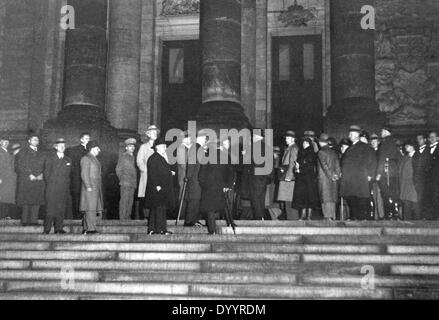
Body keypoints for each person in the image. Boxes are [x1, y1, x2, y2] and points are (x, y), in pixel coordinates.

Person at [340, 125, 377, 220]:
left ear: (357, 135)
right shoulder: (350, 148)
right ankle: (354, 216)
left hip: (360, 177)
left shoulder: (365, 147)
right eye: (349, 134)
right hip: (350, 179)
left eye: (351, 134)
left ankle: (362, 217)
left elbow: (372, 161)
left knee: (361, 198)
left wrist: (370, 175)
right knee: (351, 197)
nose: (349, 136)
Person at [199, 141, 235, 234]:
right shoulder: (226, 156)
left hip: (209, 187)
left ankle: (212, 230)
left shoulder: (206, 156)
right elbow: (231, 172)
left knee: (210, 209)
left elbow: (202, 173)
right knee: (225, 205)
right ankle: (231, 224)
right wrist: (228, 185)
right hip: (222, 186)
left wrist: (203, 184)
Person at [145, 138, 176, 235]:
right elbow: (153, 173)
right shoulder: (154, 158)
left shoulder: (159, 157)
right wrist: (157, 185)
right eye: (163, 147)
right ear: (157, 147)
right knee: (159, 208)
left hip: (161, 187)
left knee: (157, 208)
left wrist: (169, 172)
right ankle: (160, 229)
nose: (165, 148)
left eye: (165, 147)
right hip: (158, 188)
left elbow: (162, 171)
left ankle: (152, 229)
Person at [15, 135, 45, 226]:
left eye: (37, 139)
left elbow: (45, 165)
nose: (36, 141)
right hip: (27, 180)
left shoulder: (42, 153)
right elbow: (19, 165)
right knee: (26, 201)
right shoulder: (23, 152)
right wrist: (29, 174)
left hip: (38, 181)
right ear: (29, 141)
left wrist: (42, 174)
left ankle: (33, 221)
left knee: (36, 200)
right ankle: (24, 221)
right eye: (34, 139)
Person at [43, 139, 71, 234]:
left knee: (61, 208)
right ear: (56, 147)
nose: (62, 147)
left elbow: (69, 175)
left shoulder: (68, 159)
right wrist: (52, 184)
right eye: (60, 146)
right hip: (52, 188)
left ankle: (58, 228)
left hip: (63, 189)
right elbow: (46, 174)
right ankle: (47, 229)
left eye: (64, 146)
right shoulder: (50, 158)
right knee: (50, 209)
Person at [376, 126, 402, 220]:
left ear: (387, 132)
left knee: (386, 194)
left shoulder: (385, 143)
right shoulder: (394, 142)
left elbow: (382, 158)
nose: (381, 132)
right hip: (393, 172)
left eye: (382, 130)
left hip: (385, 172)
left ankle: (389, 214)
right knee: (393, 193)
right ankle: (395, 213)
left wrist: (379, 173)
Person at [293, 137, 320, 220]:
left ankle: (307, 215)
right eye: (303, 143)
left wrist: (299, 168)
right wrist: (297, 169)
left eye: (306, 143)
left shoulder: (311, 153)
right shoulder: (301, 152)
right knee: (305, 197)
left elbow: (309, 165)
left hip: (308, 178)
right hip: (305, 179)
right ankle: (304, 215)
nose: (304, 144)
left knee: (307, 197)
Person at [80, 140, 103, 234]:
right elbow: (84, 173)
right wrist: (88, 186)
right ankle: (91, 229)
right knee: (90, 208)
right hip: (90, 187)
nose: (99, 150)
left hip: (95, 186)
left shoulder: (93, 158)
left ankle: (86, 228)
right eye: (97, 148)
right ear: (92, 149)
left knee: (91, 208)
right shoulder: (86, 158)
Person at [137, 125, 159, 220]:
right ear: (148, 134)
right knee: (146, 196)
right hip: (147, 176)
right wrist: (146, 170)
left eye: (156, 132)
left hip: (157, 177)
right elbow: (139, 161)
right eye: (152, 132)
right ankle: (145, 217)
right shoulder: (143, 147)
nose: (155, 134)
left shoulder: (159, 147)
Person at [65, 133, 90, 219]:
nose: (88, 140)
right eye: (86, 138)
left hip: (87, 180)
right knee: (77, 199)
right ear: (81, 139)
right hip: (77, 179)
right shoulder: (74, 150)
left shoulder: (91, 151)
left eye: (89, 138)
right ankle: (77, 217)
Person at [317, 133, 341, 221]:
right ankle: (333, 216)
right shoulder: (333, 152)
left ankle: (327, 217)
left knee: (325, 198)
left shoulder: (321, 152)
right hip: (333, 179)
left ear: (320, 142)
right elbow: (337, 165)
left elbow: (324, 166)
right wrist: (336, 175)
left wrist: (330, 175)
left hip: (324, 179)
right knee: (332, 197)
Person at [277, 131, 299, 220]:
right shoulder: (289, 148)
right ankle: (291, 218)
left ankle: (292, 219)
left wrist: (289, 176)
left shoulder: (293, 148)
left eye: (288, 138)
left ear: (293, 139)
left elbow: (292, 163)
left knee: (289, 199)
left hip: (288, 176)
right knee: (287, 199)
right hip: (286, 175)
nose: (286, 139)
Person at [116, 138, 137, 220]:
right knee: (124, 201)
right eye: (130, 146)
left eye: (133, 146)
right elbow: (118, 169)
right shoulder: (124, 156)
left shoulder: (133, 157)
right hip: (125, 182)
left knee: (130, 201)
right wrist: (122, 178)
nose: (132, 148)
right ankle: (122, 218)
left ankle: (127, 217)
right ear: (126, 148)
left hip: (132, 183)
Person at [399, 141, 421, 220]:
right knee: (406, 205)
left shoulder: (418, 156)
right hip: (405, 185)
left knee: (415, 205)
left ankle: (418, 225)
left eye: (408, 145)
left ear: (412, 146)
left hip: (414, 185)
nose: (406, 147)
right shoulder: (405, 157)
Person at [413, 134, 431, 219]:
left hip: (426, 179)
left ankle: (426, 216)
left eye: (420, 138)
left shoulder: (429, 150)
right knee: (418, 198)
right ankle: (420, 216)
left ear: (424, 139)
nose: (418, 140)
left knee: (425, 198)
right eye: (417, 139)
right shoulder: (416, 152)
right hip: (417, 179)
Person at [0, 137, 17, 219]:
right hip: (3, 178)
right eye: (4, 141)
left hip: (10, 178)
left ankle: (7, 215)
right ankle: (2, 215)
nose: (6, 143)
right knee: (3, 197)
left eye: (7, 142)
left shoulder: (8, 153)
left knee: (8, 197)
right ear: (0, 142)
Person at [370, 133, 385, 220]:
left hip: (379, 178)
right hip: (372, 178)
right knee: (374, 198)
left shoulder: (380, 152)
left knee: (379, 197)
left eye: (374, 141)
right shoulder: (370, 152)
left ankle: (381, 215)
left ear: (378, 142)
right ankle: (376, 216)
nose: (373, 142)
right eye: (372, 141)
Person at [427, 131, 439, 219]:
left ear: (438, 138)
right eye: (430, 137)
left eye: (433, 137)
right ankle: (432, 216)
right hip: (429, 178)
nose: (431, 138)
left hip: (437, 177)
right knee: (430, 196)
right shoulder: (427, 149)